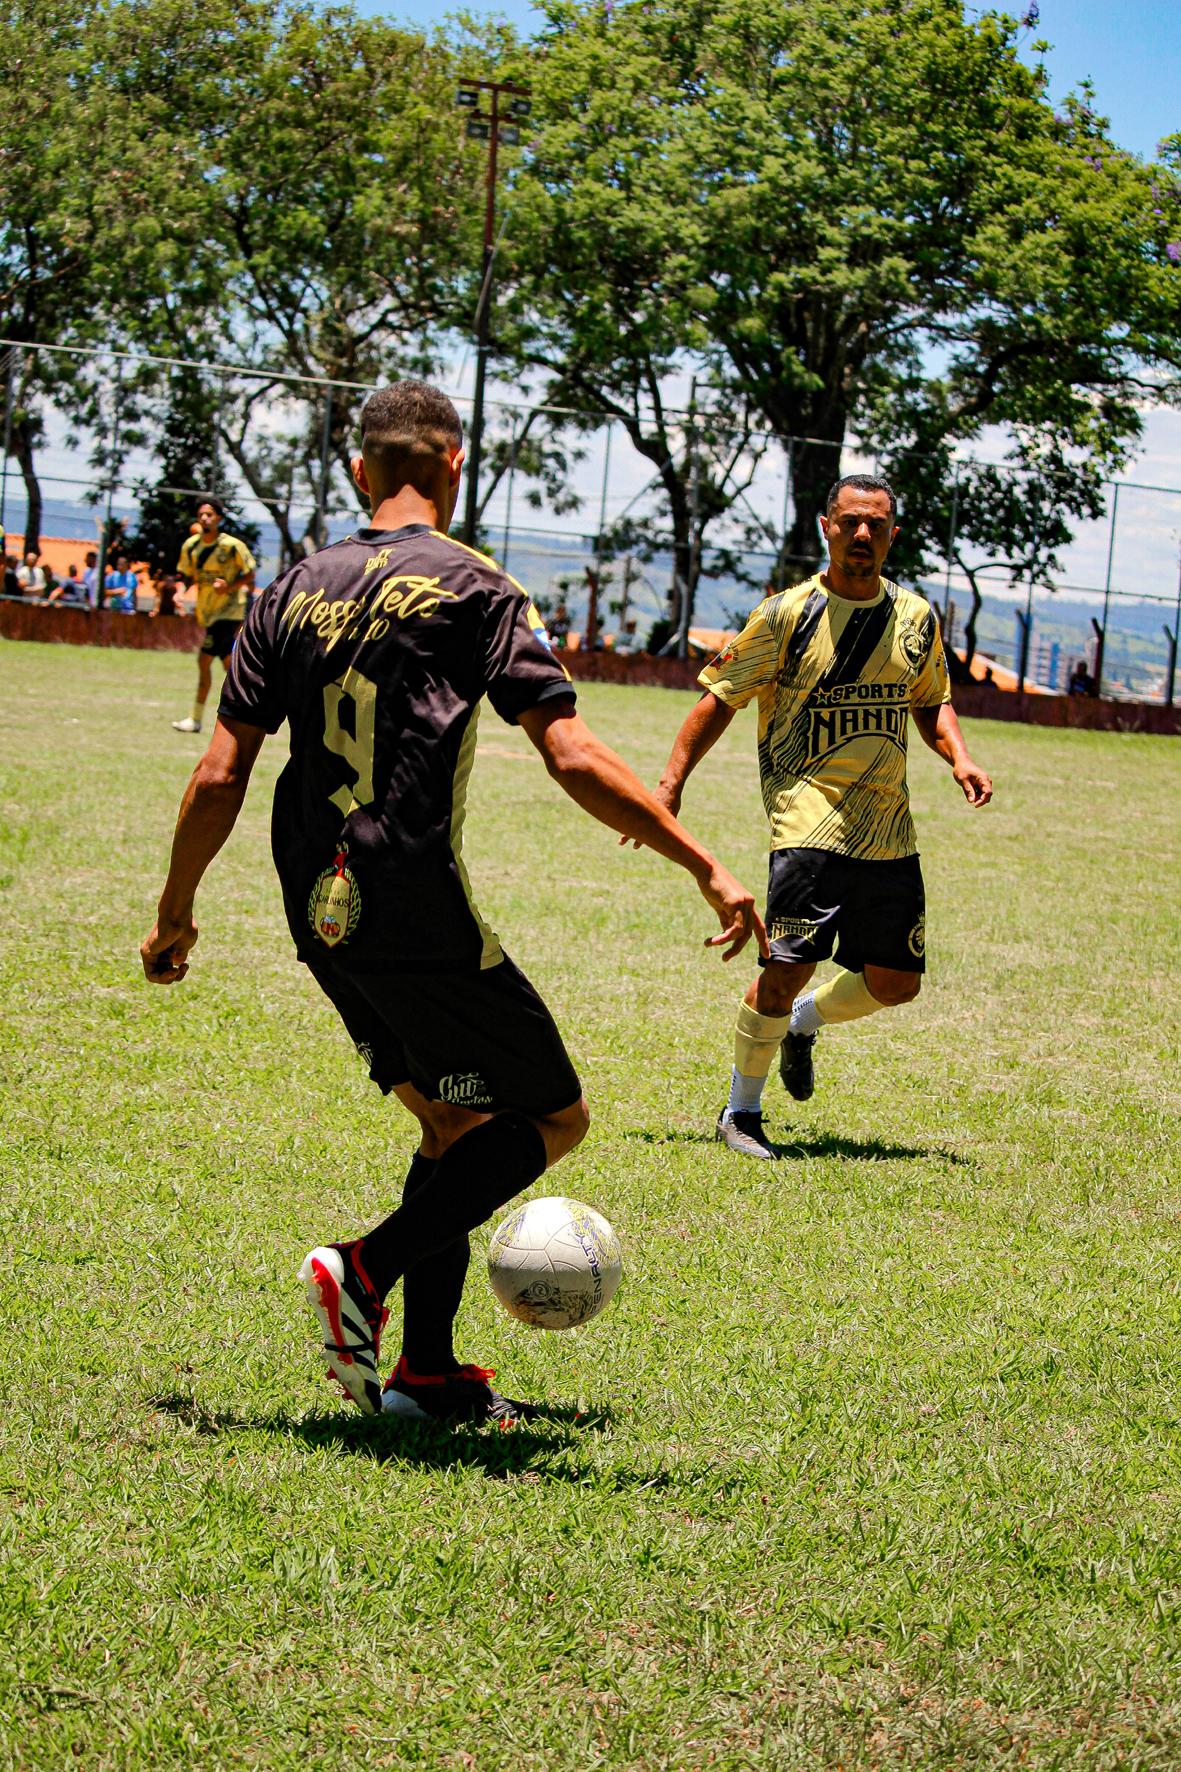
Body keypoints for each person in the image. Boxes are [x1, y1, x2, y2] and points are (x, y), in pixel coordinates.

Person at [140, 379, 765, 1424]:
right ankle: (364, 1267)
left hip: (314, 899)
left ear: (358, 470)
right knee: (549, 1113)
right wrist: (699, 857)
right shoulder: (475, 585)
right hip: (410, 895)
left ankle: (423, 1373)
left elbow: (218, 772)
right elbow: (565, 749)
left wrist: (175, 910)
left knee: (452, 1114)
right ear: (455, 465)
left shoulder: (288, 585)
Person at [636, 473, 993, 1160]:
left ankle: (804, 1022)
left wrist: (958, 755)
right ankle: (740, 1111)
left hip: (888, 828)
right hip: (806, 821)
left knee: (896, 984)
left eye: (877, 525)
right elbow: (717, 698)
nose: (863, 535)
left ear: (891, 534)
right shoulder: (784, 615)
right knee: (786, 966)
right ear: (826, 526)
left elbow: (929, 699)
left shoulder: (915, 617)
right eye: (851, 522)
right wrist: (670, 783)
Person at [171, 497, 256, 733]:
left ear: (219, 518)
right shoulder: (191, 547)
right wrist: (180, 592)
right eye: (202, 515)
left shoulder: (231, 546)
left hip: (229, 611)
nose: (205, 518)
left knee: (204, 659)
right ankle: (246, 713)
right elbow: (184, 576)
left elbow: (250, 574)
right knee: (230, 666)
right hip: (208, 612)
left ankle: (196, 719)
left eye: (210, 515)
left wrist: (228, 587)